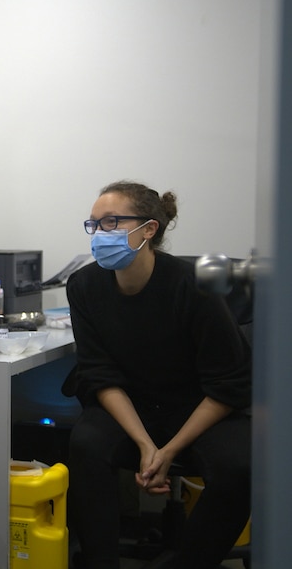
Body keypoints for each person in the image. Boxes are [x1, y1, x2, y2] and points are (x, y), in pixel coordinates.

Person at [63, 180, 251, 569]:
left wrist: (169, 450)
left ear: (149, 229)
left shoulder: (193, 285)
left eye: (112, 222)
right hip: (133, 407)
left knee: (241, 467)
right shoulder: (84, 286)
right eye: (94, 224)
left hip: (200, 407)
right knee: (86, 444)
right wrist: (146, 444)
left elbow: (228, 383)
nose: (100, 234)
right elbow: (100, 376)